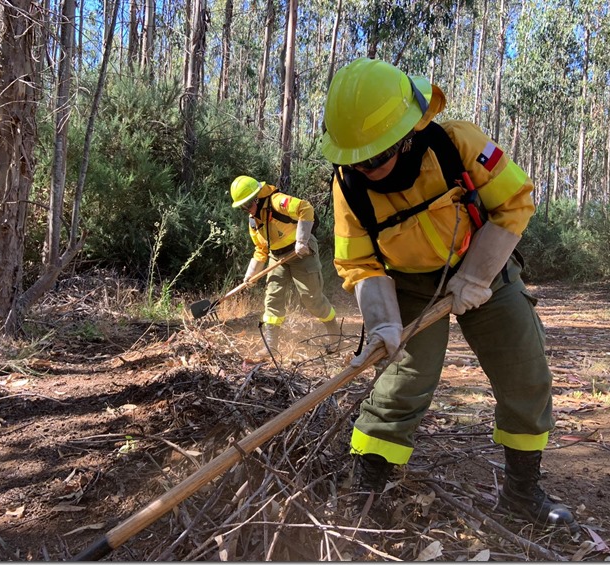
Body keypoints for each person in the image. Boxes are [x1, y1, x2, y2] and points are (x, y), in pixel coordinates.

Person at [320, 58, 579, 532]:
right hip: (409, 286)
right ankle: (365, 492)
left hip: (483, 266)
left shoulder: (457, 144)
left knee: (525, 369)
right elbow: (359, 262)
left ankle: (522, 492)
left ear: (407, 135)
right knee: (402, 382)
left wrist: (477, 275)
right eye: (356, 159)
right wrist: (382, 321)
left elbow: (515, 201)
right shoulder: (348, 188)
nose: (366, 169)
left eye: (375, 157)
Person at [229, 175, 342, 356]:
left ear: (257, 198)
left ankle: (335, 333)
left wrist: (302, 240)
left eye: (248, 205)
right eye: (243, 208)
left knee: (312, 299)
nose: (247, 211)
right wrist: (250, 275)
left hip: (301, 252)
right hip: (277, 256)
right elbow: (260, 249)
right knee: (273, 297)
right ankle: (271, 346)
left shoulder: (277, 201)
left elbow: (306, 208)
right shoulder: (253, 222)